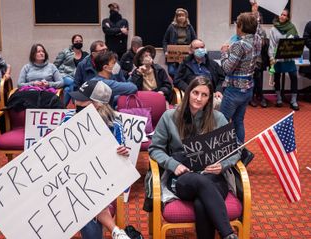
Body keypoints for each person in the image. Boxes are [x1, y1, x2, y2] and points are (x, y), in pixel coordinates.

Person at [148, 76, 239, 239]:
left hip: (214, 175)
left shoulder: (218, 118)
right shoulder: (169, 116)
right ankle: (228, 234)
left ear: (209, 98)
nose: (198, 98)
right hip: (183, 176)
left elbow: (236, 150)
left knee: (201, 202)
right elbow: (155, 148)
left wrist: (223, 165)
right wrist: (172, 164)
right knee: (199, 183)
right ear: (188, 93)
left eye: (204, 95)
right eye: (195, 92)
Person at [66, 80, 131, 239]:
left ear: (99, 104)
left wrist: (123, 153)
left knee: (88, 199)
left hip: (100, 182)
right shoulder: (68, 119)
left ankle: (114, 231)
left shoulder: (114, 125)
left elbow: (119, 165)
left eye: (82, 99)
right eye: (77, 98)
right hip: (68, 179)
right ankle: (115, 230)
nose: (77, 102)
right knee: (86, 197)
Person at [220, 12, 261, 143]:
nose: (236, 27)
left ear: (241, 25)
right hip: (248, 88)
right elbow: (256, 23)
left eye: (237, 24)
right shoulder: (258, 39)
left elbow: (227, 68)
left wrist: (224, 53)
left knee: (222, 123)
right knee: (238, 121)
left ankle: (222, 153)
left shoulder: (240, 45)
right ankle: (239, 151)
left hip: (234, 90)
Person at [268, 9, 299, 110]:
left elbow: (296, 42)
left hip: (289, 57)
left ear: (287, 17)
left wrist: (296, 39)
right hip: (277, 58)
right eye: (281, 14)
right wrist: (271, 57)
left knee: (294, 76)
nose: (282, 16)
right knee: (277, 77)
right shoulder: (274, 29)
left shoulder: (292, 27)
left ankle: (294, 101)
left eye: (284, 15)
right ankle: (279, 98)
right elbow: (272, 44)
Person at [54, 34, 89, 106]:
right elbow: (55, 65)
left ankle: (62, 108)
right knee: (73, 82)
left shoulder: (86, 55)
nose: (78, 42)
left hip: (76, 78)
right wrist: (55, 77)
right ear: (73, 42)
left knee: (67, 90)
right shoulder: (65, 52)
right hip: (64, 75)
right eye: (76, 41)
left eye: (80, 41)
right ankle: (76, 103)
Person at [163, 8, 197, 78]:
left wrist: (192, 48)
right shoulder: (172, 27)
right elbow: (165, 40)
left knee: (185, 72)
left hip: (186, 53)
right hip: (174, 53)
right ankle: (176, 86)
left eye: (183, 15)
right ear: (176, 17)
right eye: (179, 16)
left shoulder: (189, 27)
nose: (181, 17)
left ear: (186, 17)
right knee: (171, 71)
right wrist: (166, 51)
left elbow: (195, 40)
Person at [249, 1, 269, 108]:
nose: (257, 19)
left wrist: (263, 41)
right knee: (251, 78)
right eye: (255, 18)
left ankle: (260, 96)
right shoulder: (248, 29)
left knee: (259, 78)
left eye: (259, 18)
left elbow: (264, 43)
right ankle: (251, 97)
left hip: (259, 58)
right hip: (250, 58)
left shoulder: (262, 30)